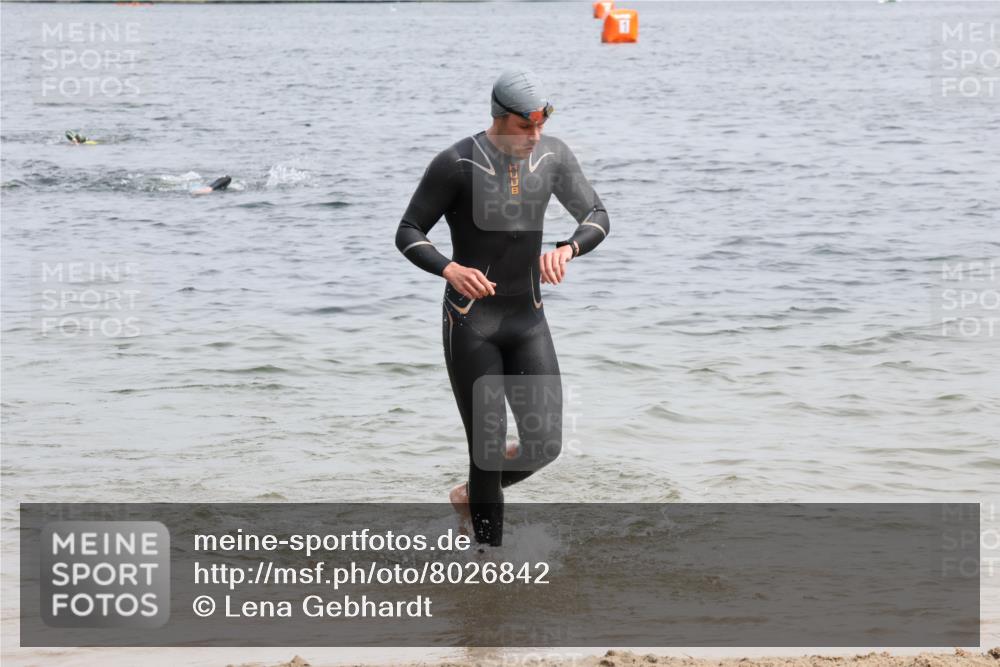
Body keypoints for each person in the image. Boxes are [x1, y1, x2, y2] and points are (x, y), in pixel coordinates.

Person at [395, 69, 611, 546]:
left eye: (541, 125)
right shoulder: (456, 164)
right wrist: (449, 269)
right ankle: (486, 563)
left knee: (545, 444)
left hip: (527, 319)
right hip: (472, 322)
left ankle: (468, 497)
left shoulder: (552, 157)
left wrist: (568, 248)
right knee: (487, 450)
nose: (536, 137)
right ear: (499, 117)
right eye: (524, 127)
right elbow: (409, 231)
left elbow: (597, 215)